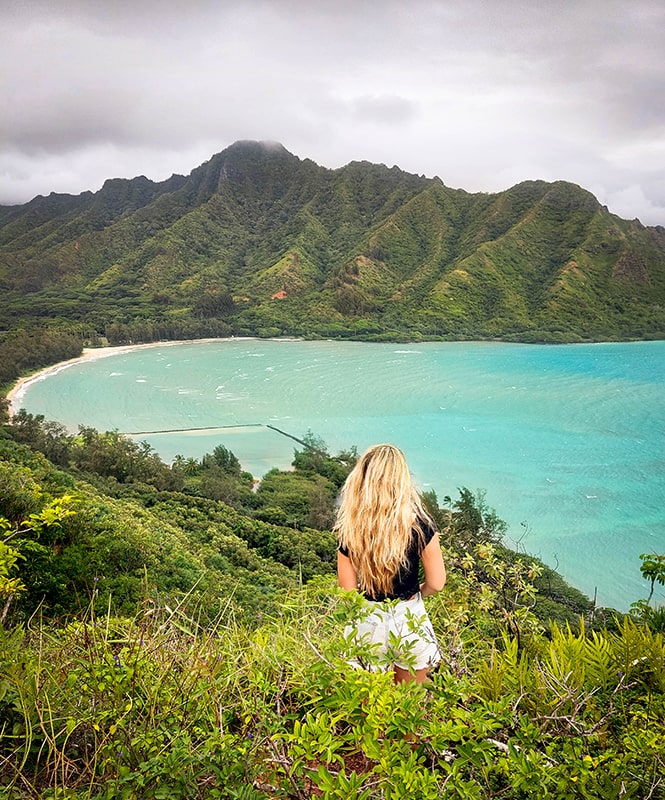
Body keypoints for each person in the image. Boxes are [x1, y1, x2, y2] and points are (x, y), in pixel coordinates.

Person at [335, 443, 446, 683]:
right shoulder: (421, 525)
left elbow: (347, 591)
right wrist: (418, 595)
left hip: (366, 620)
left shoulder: (350, 528)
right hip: (409, 618)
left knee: (370, 709)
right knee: (413, 707)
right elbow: (437, 583)